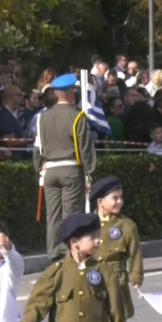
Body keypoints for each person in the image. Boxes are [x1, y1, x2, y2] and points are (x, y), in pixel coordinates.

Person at [34, 74, 98, 260]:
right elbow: (84, 146)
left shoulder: (41, 118)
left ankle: (53, 251)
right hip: (70, 168)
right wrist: (90, 169)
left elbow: (37, 147)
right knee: (70, 213)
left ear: (55, 93)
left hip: (50, 170)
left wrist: (39, 167)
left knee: (52, 215)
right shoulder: (77, 116)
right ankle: (68, 251)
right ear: (72, 94)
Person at [90, 177, 140, 322]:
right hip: (94, 275)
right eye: (115, 198)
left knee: (115, 308)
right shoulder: (89, 224)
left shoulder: (126, 226)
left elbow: (135, 253)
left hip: (116, 275)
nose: (119, 201)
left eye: (120, 197)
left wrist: (136, 276)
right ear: (100, 202)